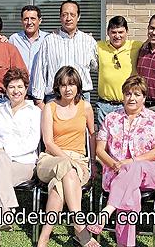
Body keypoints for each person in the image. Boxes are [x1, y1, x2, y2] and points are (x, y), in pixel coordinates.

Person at [87, 75, 155, 247]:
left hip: (151, 172)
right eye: (128, 93)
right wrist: (114, 165)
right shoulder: (111, 118)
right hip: (118, 174)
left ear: (144, 97)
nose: (132, 98)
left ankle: (106, 212)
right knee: (130, 192)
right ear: (123, 96)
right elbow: (100, 150)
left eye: (137, 94)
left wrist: (130, 162)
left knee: (134, 168)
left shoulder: (154, 119)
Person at [36, 66, 99, 247]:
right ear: (57, 87)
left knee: (59, 187)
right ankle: (80, 227)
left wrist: (93, 162)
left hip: (79, 161)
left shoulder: (85, 107)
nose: (68, 89)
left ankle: (44, 239)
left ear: (78, 85)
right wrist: (68, 160)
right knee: (67, 168)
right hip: (50, 159)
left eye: (71, 84)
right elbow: (48, 142)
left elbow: (92, 135)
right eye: (63, 85)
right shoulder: (50, 107)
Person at [0, 68, 41, 247]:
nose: (16, 91)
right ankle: (7, 211)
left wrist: (3, 151)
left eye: (20, 86)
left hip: (24, 163)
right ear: (5, 89)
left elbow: (32, 143)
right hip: (0, 160)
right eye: (11, 87)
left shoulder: (34, 112)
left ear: (26, 88)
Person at [31, 0, 97, 107]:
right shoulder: (49, 41)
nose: (68, 18)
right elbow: (40, 71)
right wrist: (39, 101)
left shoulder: (89, 41)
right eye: (64, 15)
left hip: (81, 97)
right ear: (60, 17)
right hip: (55, 96)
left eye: (72, 15)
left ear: (78, 17)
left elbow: (98, 67)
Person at [96, 16, 143, 125]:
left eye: (121, 32)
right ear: (108, 32)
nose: (117, 36)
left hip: (128, 104)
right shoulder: (99, 46)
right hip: (104, 106)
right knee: (104, 140)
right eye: (113, 32)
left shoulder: (137, 46)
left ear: (127, 32)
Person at [8, 5, 48, 98]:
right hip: (20, 94)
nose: (29, 22)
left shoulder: (47, 39)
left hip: (42, 95)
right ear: (21, 21)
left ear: (40, 20)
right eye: (26, 19)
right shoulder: (14, 39)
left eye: (33, 18)